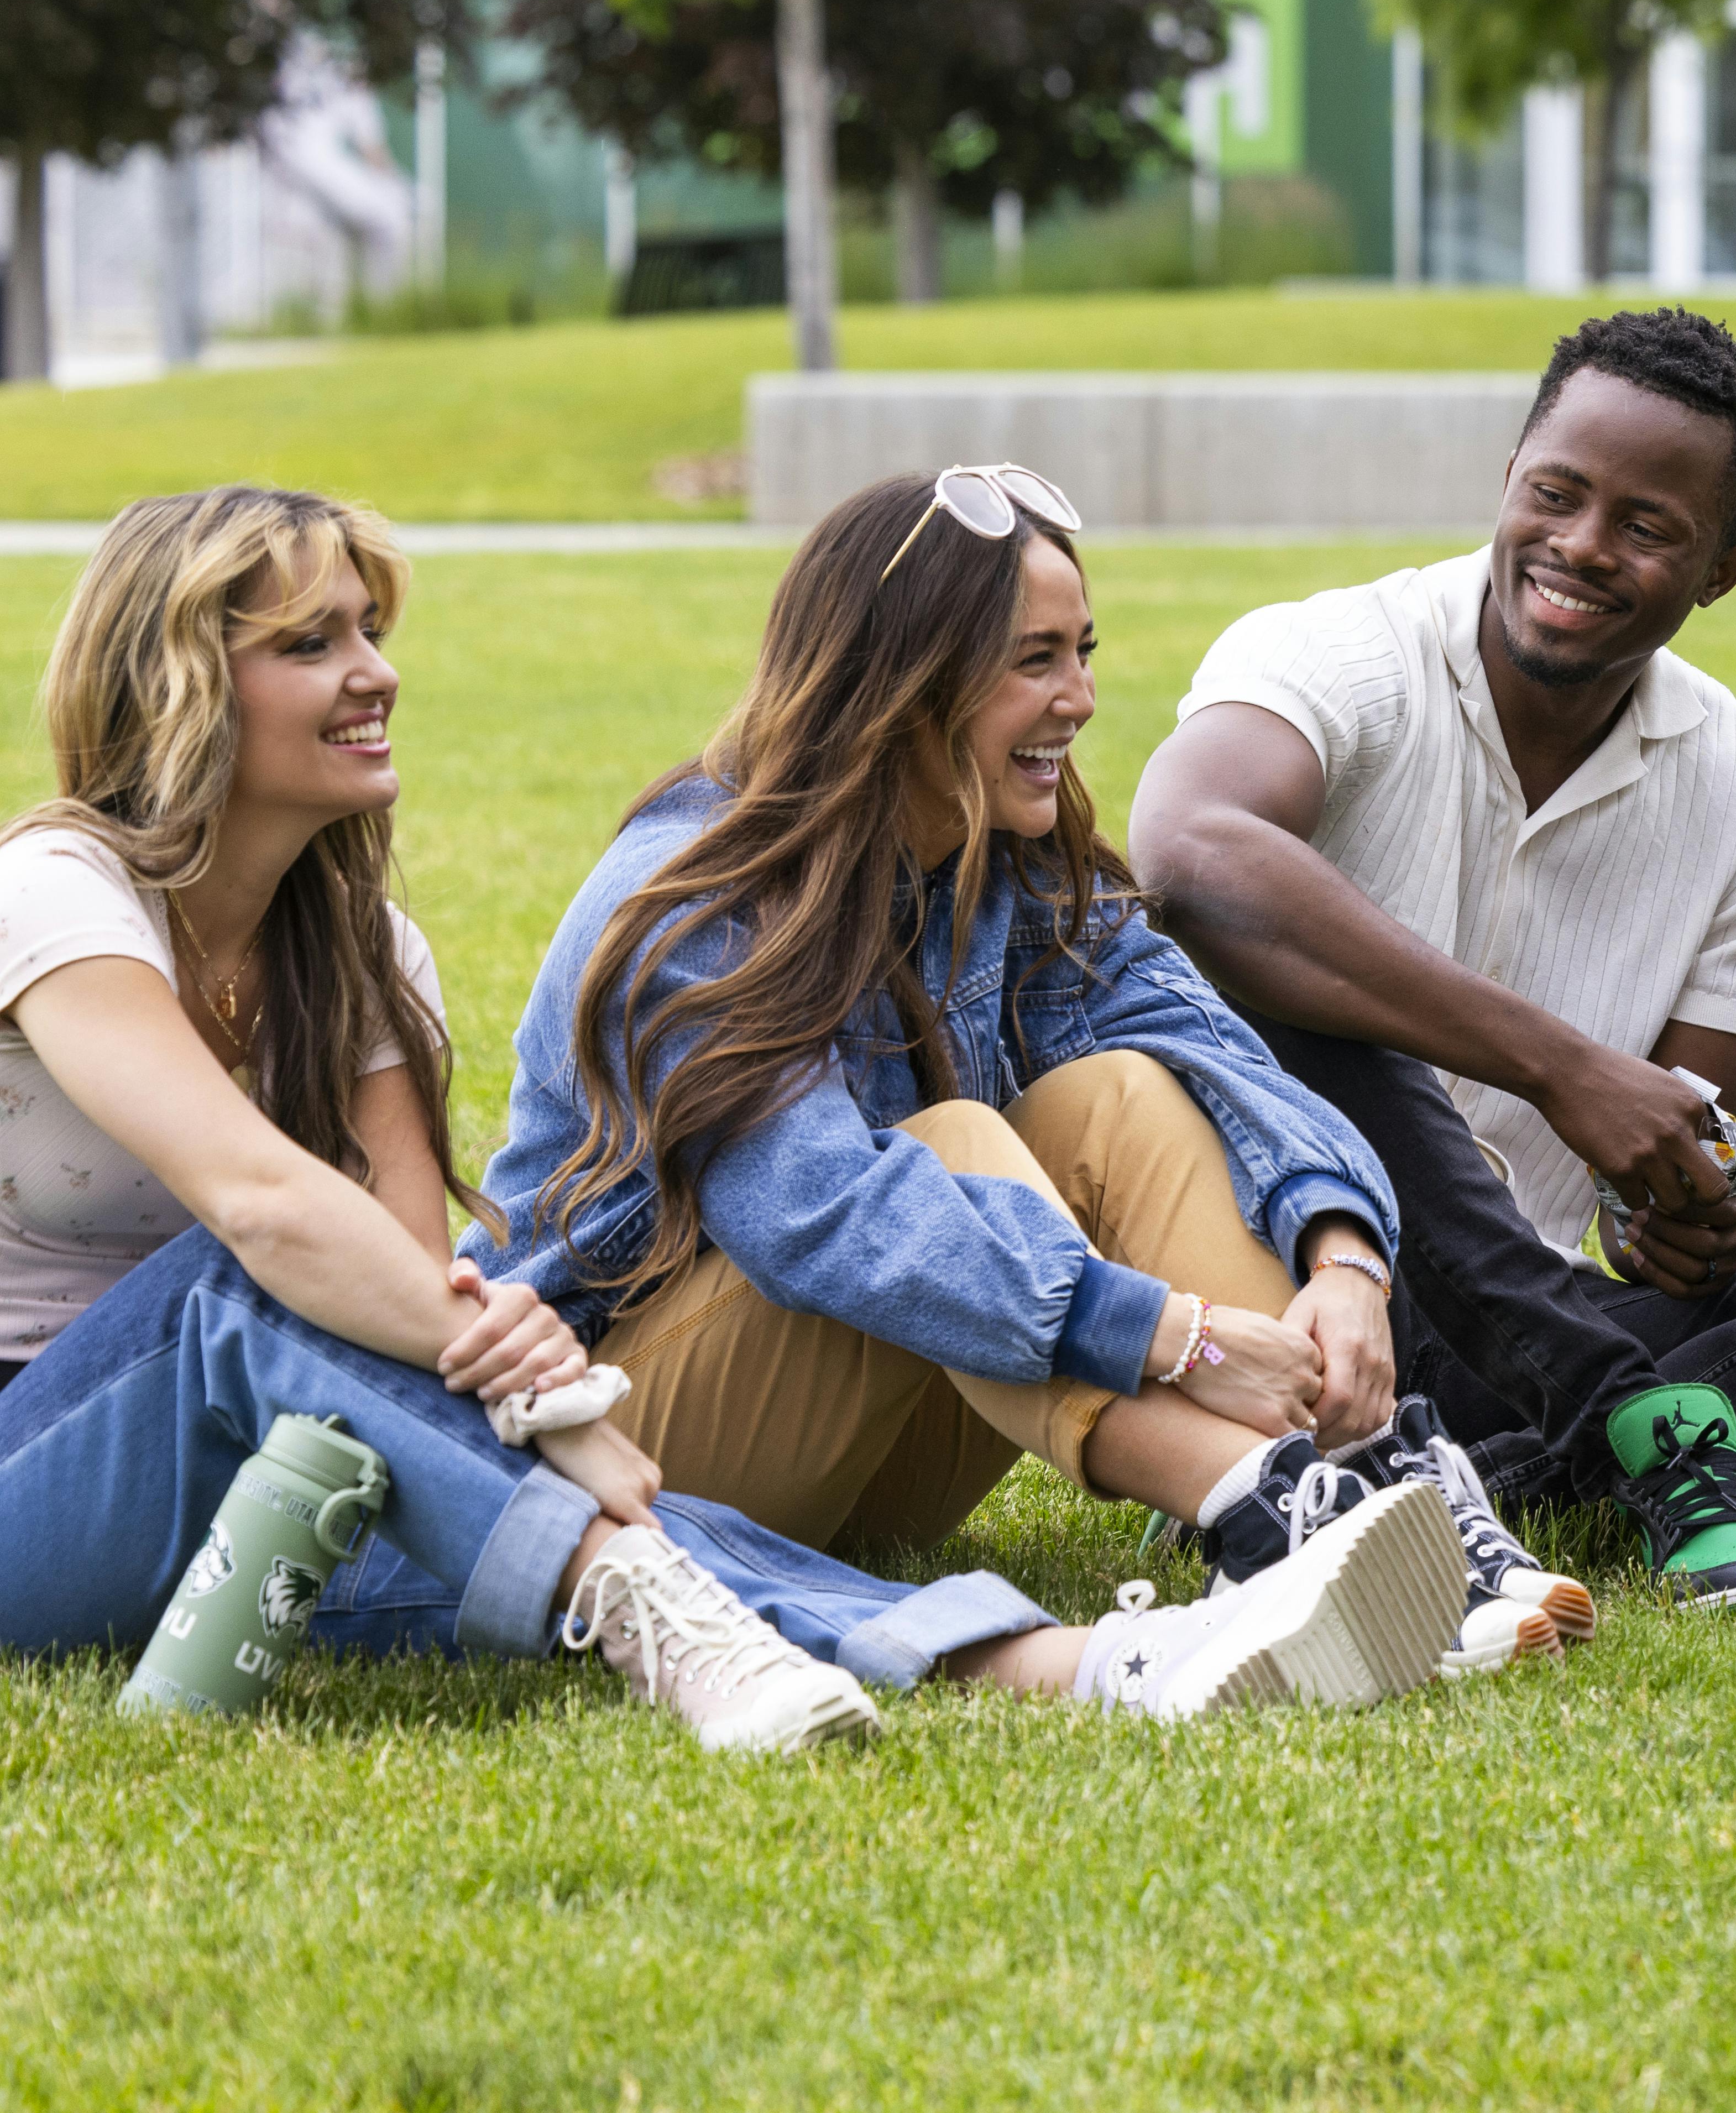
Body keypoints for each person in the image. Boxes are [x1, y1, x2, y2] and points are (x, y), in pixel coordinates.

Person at [0, 486, 1169, 1746]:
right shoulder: (54, 898)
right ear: (176, 683)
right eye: (312, 644)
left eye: (370, 630)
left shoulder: (365, 956)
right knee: (246, 1284)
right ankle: (646, 1603)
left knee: (446, 1429)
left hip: (252, 1479)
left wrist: (512, 1398)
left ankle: (1072, 1661)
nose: (376, 674)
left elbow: (402, 1297)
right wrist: (547, 1399)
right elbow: (263, 1205)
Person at [475, 466, 1530, 1700]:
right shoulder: (698, 894)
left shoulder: (1008, 863)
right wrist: (1174, 1337)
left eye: (1082, 650)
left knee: (1128, 1094)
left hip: (867, 1470)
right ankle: (1270, 1507)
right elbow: (824, 1218)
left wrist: (1346, 1255)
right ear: (903, 678)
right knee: (954, 1146)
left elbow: (1220, 1052)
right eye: (1034, 658)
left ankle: (1361, 1484)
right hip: (626, 1459)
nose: (1079, 696)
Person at [1134, 309, 1736, 1605]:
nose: (1581, 546)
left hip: (1523, 1328)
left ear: (1723, 570)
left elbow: (1657, 1170)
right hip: (1302, 1303)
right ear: (1509, 479)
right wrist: (1558, 1066)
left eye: (1649, 527)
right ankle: (1601, 1429)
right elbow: (1188, 848)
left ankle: (1444, 1484)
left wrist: (1674, 1216)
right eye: (1556, 493)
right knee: (1305, 1001)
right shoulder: (1335, 652)